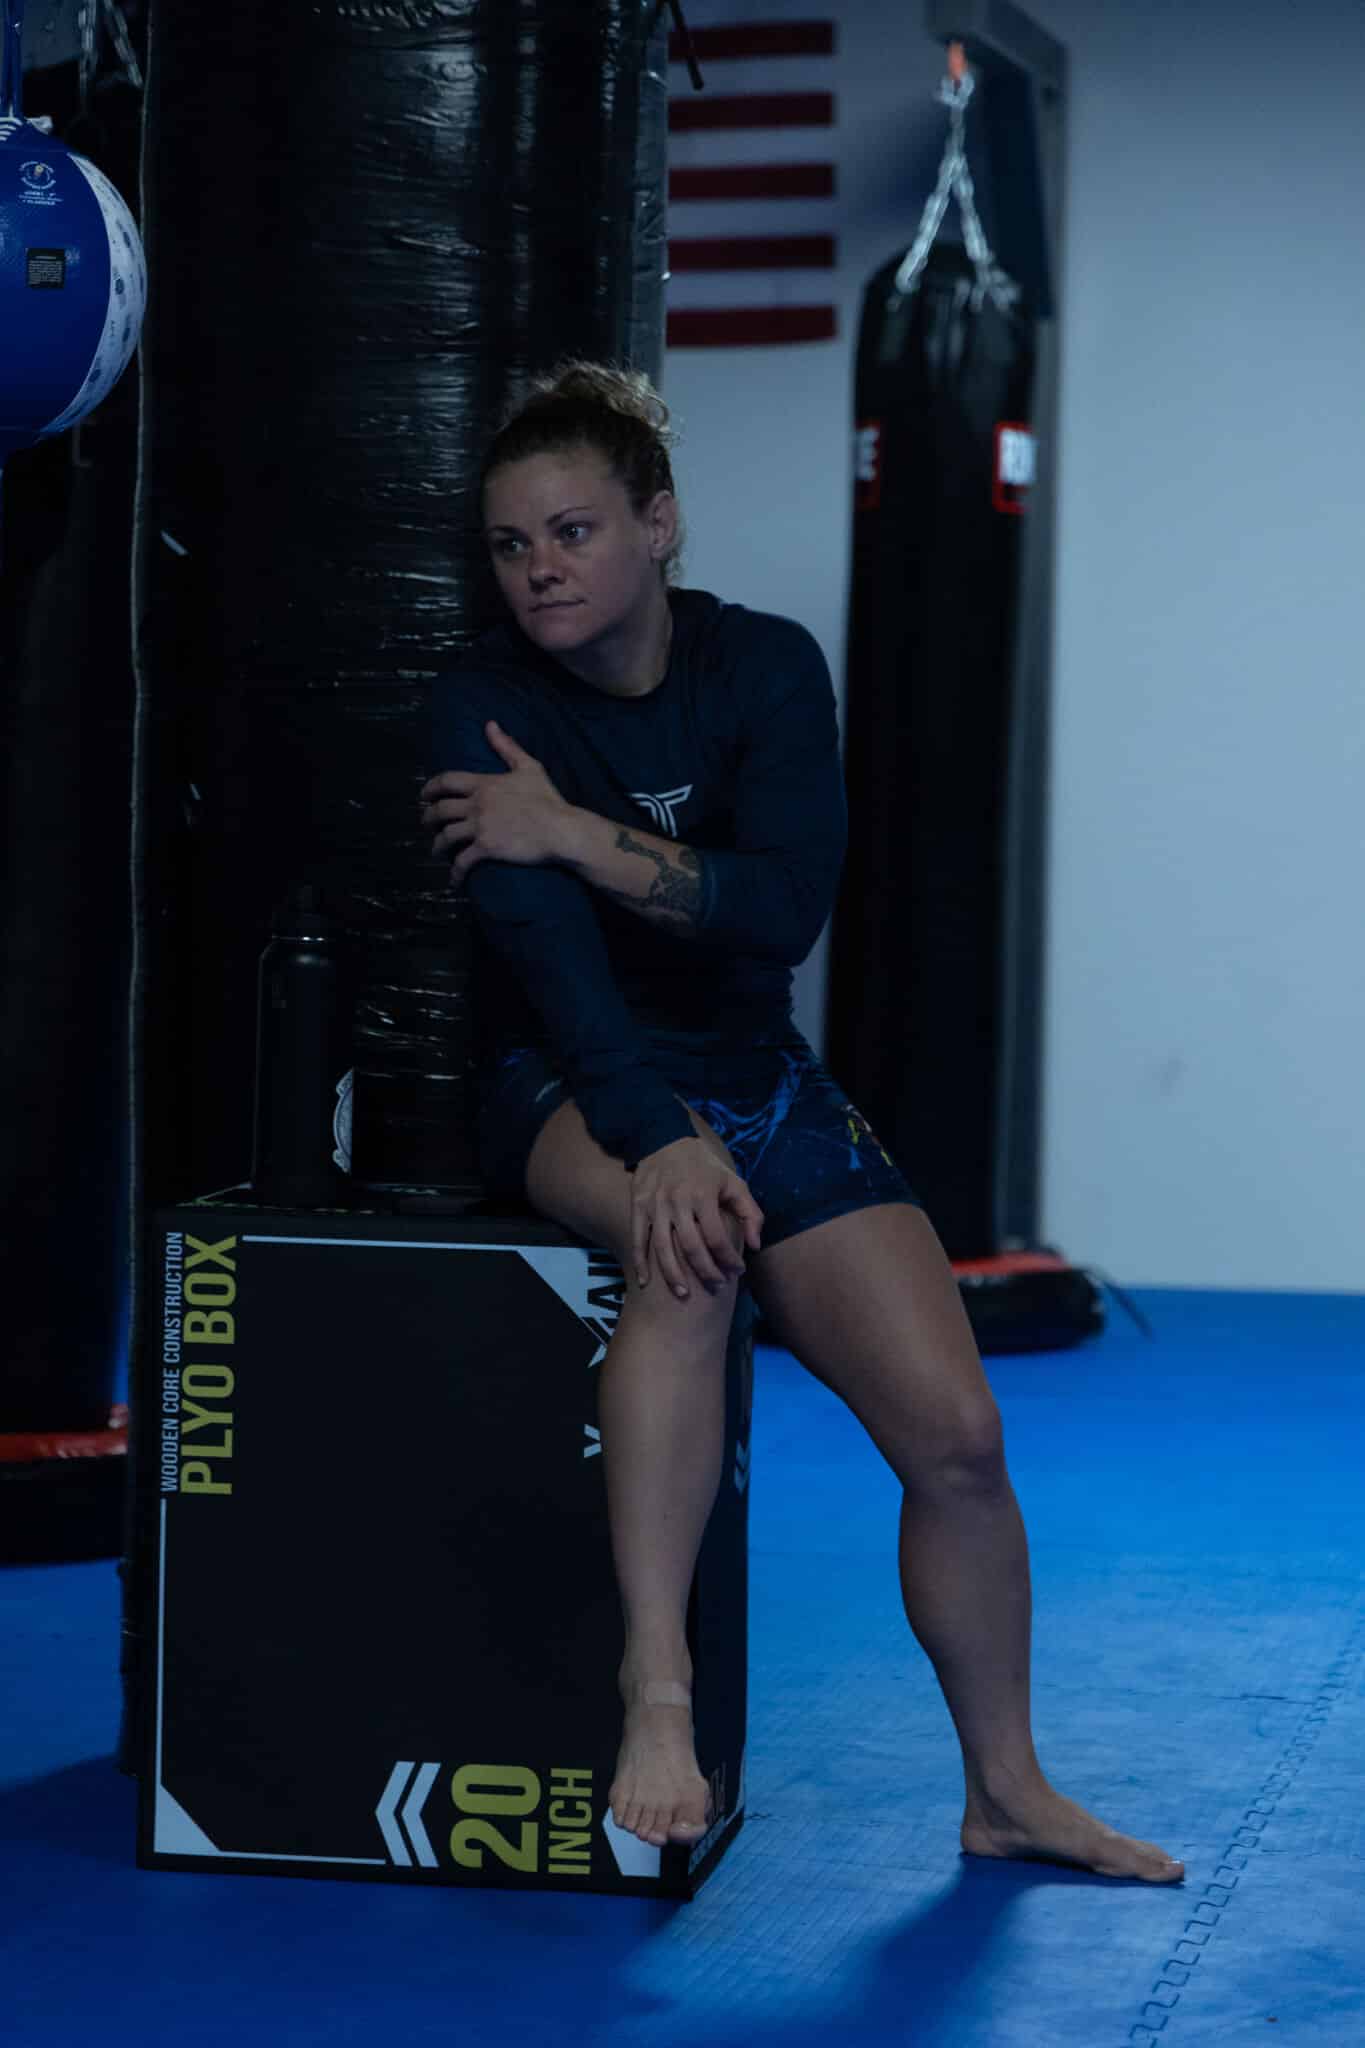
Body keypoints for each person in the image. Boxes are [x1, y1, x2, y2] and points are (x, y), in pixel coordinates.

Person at [420, 361, 1183, 1884]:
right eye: (511, 545)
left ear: (659, 524)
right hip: (569, 1084)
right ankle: (658, 1697)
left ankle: (1005, 1791)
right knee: (686, 1261)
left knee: (959, 1440)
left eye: (571, 531)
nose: (541, 569)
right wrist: (659, 1139)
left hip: (758, 1070)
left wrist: (576, 833)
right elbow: (555, 976)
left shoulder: (762, 668)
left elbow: (779, 909)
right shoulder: (483, 709)